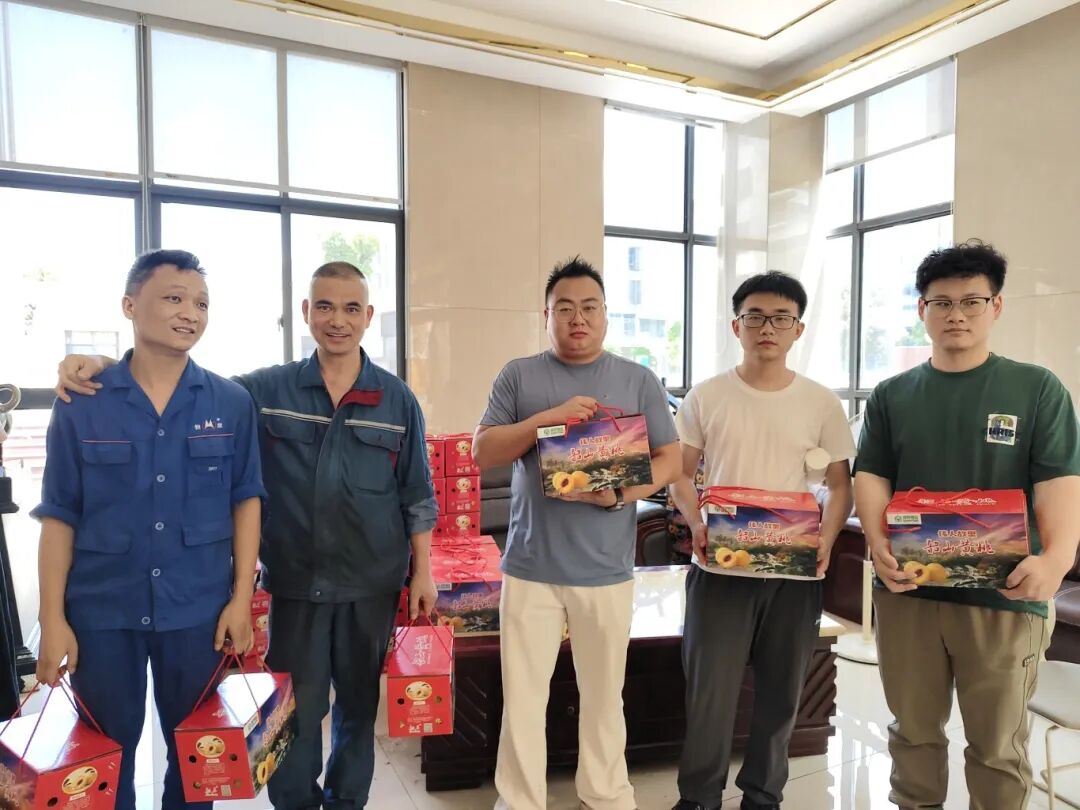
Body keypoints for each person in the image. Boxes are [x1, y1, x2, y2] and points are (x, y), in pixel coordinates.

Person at [55, 260, 438, 810]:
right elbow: (173, 384)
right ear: (306, 312)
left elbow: (417, 493)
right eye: (325, 306)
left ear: (368, 316)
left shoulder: (397, 400)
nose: (338, 320)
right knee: (296, 709)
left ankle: (347, 802)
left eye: (351, 308)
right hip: (297, 583)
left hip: (371, 582)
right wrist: (105, 366)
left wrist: (423, 571)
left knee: (358, 706)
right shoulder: (263, 390)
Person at [35, 249, 265, 810]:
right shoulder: (82, 404)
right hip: (102, 614)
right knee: (103, 762)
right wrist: (52, 618)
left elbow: (246, 501)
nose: (191, 313)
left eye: (201, 303)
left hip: (198, 613)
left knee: (198, 763)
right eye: (174, 298)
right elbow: (59, 514)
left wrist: (241, 599)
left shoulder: (231, 402)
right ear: (129, 306)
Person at [854, 240, 1080, 810]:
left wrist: (1056, 560)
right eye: (942, 302)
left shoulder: (1037, 389)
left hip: (1004, 597)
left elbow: (1058, 482)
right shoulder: (892, 395)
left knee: (998, 748)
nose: (956, 314)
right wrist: (878, 542)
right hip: (910, 591)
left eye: (972, 301)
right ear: (922, 309)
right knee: (913, 736)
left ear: (995, 307)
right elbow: (872, 474)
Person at [472, 256, 682, 810]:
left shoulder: (637, 379)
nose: (577, 318)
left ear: (606, 314)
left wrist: (620, 494)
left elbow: (671, 457)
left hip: (606, 571)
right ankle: (520, 801)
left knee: (605, 698)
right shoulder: (519, 376)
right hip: (530, 569)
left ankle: (606, 795)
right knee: (523, 699)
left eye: (589, 307)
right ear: (546, 316)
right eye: (564, 308)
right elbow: (483, 451)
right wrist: (548, 418)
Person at [667, 271, 855, 810]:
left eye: (780, 318)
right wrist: (695, 522)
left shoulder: (821, 402)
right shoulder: (707, 395)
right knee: (709, 694)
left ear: (798, 329)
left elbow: (839, 485)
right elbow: (679, 473)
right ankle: (698, 798)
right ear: (737, 326)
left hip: (793, 574)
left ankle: (763, 796)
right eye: (755, 317)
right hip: (720, 569)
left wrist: (826, 537)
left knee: (781, 694)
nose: (767, 328)